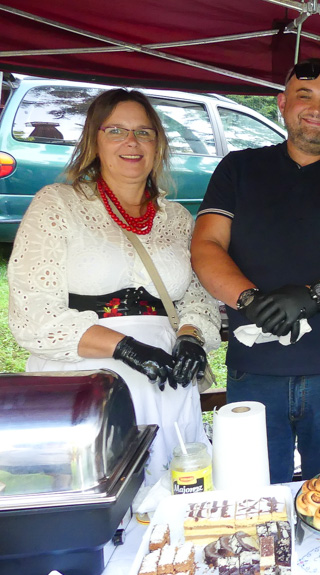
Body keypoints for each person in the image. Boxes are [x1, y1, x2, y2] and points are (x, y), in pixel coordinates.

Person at [190, 59, 320, 483]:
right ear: (283, 105)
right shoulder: (238, 168)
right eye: (305, 96)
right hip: (254, 372)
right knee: (254, 502)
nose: (317, 108)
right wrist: (248, 299)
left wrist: (313, 296)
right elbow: (206, 246)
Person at [8, 89, 220, 485]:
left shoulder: (175, 218)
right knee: (103, 505)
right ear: (94, 139)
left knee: (175, 497)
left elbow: (197, 295)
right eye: (117, 130)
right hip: (86, 386)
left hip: (166, 384)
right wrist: (124, 347)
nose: (132, 142)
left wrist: (191, 337)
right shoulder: (57, 204)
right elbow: (33, 315)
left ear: (158, 145)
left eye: (144, 132)